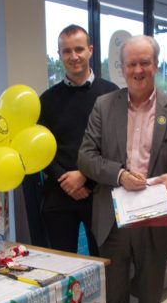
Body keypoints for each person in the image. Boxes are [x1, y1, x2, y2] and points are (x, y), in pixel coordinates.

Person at [78, 35, 167, 303]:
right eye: (132, 63)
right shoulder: (104, 105)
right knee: (113, 299)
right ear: (122, 68)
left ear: (155, 65)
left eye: (145, 62)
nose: (138, 69)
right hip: (114, 220)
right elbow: (86, 157)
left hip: (156, 220)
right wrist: (119, 174)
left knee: (149, 296)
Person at [38, 24, 118, 257]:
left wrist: (85, 177)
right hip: (58, 195)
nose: (73, 56)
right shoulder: (47, 100)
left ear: (90, 50)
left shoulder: (112, 94)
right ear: (59, 54)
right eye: (66, 51)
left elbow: (115, 145)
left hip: (99, 193)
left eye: (79, 49)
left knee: (102, 262)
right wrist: (66, 180)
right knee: (62, 267)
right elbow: (39, 150)